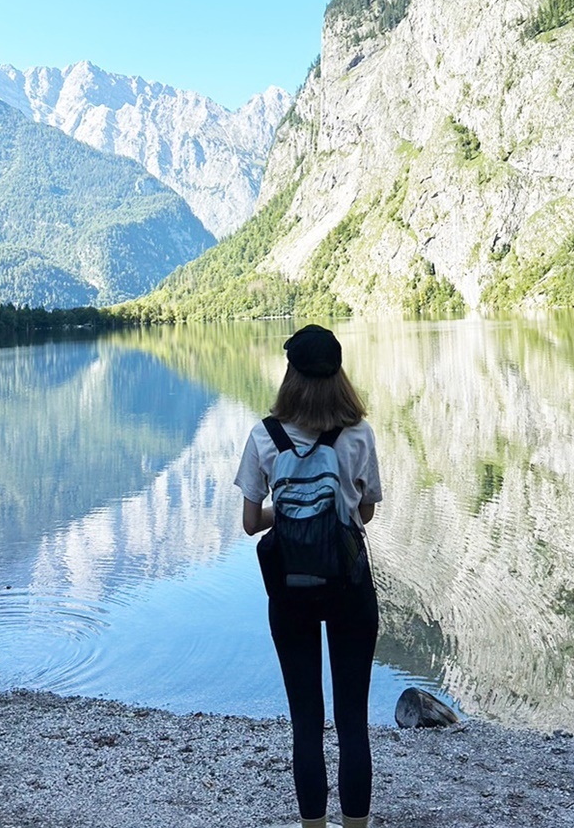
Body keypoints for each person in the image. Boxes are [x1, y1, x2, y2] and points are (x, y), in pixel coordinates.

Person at [235, 324, 383, 828]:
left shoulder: (265, 436)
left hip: (290, 591)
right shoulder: (358, 433)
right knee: (352, 722)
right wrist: (329, 510)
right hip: (349, 587)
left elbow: (252, 523)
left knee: (305, 724)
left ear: (290, 375)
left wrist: (291, 515)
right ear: (338, 375)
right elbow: (363, 514)